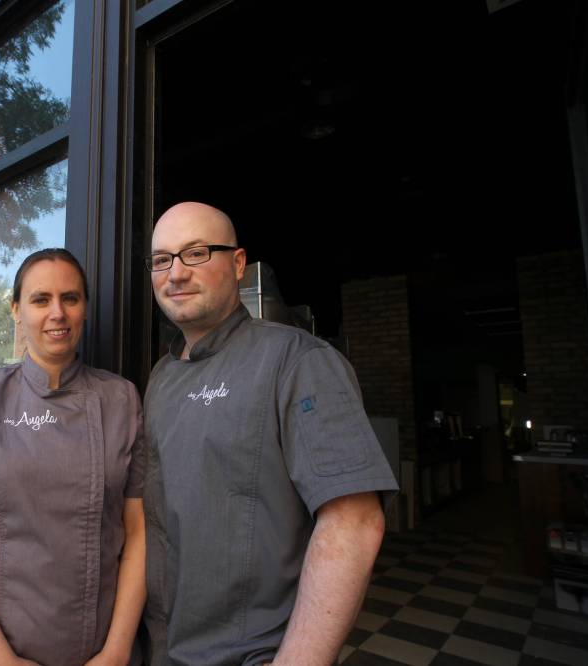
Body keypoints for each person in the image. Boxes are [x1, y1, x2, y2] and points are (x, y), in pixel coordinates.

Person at [142, 202, 398, 666]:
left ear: (238, 264)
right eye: (162, 259)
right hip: (167, 648)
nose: (176, 273)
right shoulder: (160, 377)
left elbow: (355, 522)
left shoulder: (298, 360)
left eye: (196, 253)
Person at [0, 248, 146, 666]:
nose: (57, 313)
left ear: (85, 309)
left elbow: (139, 535)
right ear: (16, 310)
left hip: (95, 656)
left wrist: (116, 651)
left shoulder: (121, 399)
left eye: (70, 299)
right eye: (41, 300)